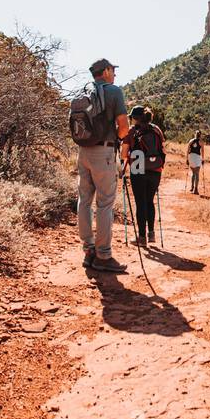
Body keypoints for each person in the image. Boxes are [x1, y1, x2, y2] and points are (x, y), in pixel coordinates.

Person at [75, 58, 130, 273]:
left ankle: (88, 250)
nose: (114, 74)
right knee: (105, 203)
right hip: (104, 152)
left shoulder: (83, 91)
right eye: (112, 70)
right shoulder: (114, 91)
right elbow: (124, 127)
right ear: (105, 71)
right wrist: (116, 138)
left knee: (84, 201)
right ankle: (103, 255)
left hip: (83, 151)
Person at [124, 106, 165, 244]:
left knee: (140, 203)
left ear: (135, 118)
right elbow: (162, 148)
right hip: (156, 169)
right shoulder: (156, 129)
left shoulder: (132, 131)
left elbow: (124, 153)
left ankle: (141, 238)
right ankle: (151, 234)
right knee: (149, 201)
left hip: (138, 169)